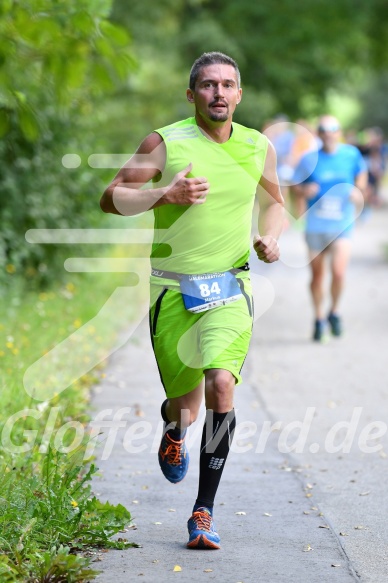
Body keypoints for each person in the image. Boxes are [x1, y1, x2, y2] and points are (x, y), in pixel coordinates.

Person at [100, 52, 284, 549]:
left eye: (227, 85)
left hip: (229, 285)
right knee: (186, 407)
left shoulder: (257, 146)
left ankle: (203, 511)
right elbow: (111, 196)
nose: (218, 93)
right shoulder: (164, 142)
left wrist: (270, 238)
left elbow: (275, 206)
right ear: (191, 94)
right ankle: (174, 426)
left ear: (239, 94)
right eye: (208, 85)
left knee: (221, 385)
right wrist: (164, 196)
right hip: (172, 288)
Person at [292, 115, 367, 341]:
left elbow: (361, 174)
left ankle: (334, 311)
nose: (328, 133)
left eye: (332, 129)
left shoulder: (350, 154)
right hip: (316, 225)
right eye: (323, 129)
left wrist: (358, 190)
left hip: (341, 223)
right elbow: (295, 187)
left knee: (339, 272)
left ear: (339, 132)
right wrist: (304, 192)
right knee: (317, 276)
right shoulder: (308, 159)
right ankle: (318, 318)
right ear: (319, 133)